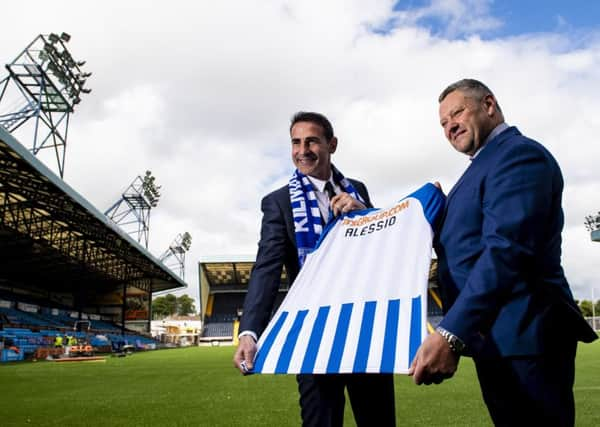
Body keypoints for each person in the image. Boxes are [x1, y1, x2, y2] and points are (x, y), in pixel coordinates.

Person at [409, 79, 598, 426]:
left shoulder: (518, 155)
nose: (449, 125)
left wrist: (450, 333)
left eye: (457, 112)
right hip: (498, 339)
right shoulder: (481, 166)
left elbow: (506, 251)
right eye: (442, 123)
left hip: (528, 337)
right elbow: (462, 245)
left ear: (489, 105)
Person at [233, 112, 396, 426]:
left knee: (379, 420)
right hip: (313, 334)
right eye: (296, 142)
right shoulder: (278, 202)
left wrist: (365, 213)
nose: (302, 150)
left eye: (311, 141)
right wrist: (250, 331)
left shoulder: (357, 190)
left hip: (364, 327)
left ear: (331, 144)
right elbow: (266, 268)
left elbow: (379, 250)